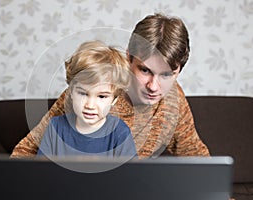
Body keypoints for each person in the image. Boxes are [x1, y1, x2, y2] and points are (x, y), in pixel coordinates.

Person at [11, 13, 210, 158]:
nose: (154, 86)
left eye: (167, 74)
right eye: (145, 70)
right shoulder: (92, 91)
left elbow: (195, 156)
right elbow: (27, 151)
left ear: (179, 71)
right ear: (128, 57)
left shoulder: (174, 100)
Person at [36, 40, 136, 158]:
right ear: (71, 92)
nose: (90, 105)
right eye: (83, 93)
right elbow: (40, 173)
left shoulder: (120, 133)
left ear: (114, 100)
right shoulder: (55, 127)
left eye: (101, 96)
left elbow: (130, 176)